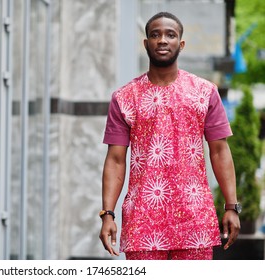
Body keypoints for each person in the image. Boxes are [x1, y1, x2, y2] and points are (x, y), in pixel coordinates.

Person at [99, 11, 240, 260]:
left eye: (170, 35)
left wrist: (232, 206)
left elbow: (219, 151)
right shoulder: (124, 97)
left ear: (180, 44)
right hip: (142, 222)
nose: (162, 40)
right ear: (146, 44)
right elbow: (115, 160)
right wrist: (107, 214)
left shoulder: (205, 92)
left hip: (194, 220)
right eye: (155, 35)